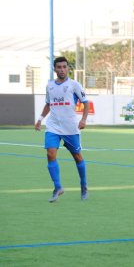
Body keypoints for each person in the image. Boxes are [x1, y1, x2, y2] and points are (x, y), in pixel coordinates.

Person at [35, 56, 90, 203]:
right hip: (53, 125)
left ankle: (83, 184)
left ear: (67, 68)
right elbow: (48, 104)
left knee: (77, 157)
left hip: (70, 127)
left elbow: (86, 103)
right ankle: (58, 187)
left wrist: (83, 120)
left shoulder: (74, 85)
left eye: (64, 67)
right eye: (59, 67)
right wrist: (40, 119)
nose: (62, 69)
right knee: (50, 153)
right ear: (54, 69)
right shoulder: (50, 86)